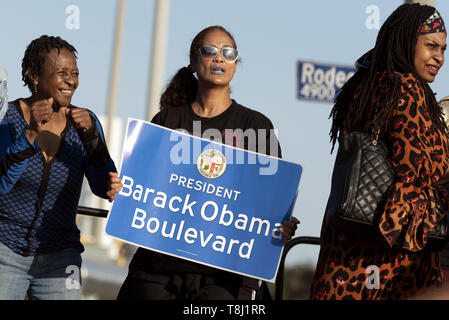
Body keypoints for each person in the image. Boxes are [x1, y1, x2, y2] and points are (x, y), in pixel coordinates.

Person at [117, 25, 300, 300]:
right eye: (209, 51)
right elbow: (142, 190)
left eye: (228, 52)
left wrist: (281, 223)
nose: (219, 58)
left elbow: (270, 203)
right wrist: (121, 188)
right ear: (193, 62)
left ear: (235, 63)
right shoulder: (167, 122)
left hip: (225, 278)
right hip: (157, 272)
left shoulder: (257, 126)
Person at [310, 3, 448, 300]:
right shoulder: (408, 87)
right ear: (406, 40)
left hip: (344, 255)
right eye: (431, 46)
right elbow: (416, 171)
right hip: (392, 263)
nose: (439, 57)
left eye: (444, 49)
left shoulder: (365, 82)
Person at [0, 35, 123, 300]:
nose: (71, 80)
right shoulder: (7, 118)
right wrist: (30, 133)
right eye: (61, 73)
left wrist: (92, 140)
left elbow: (103, 186)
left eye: (75, 74)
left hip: (60, 258)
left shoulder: (86, 123)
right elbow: (1, 183)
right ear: (33, 75)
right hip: (5, 251)